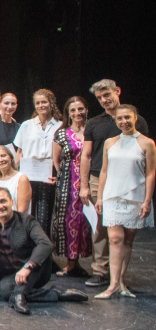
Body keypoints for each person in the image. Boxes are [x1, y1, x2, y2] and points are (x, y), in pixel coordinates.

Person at [79, 79, 149, 288]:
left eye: (107, 95)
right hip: (97, 178)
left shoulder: (136, 120)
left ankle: (118, 276)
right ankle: (100, 271)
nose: (104, 100)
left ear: (117, 91)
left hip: (128, 181)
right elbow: (86, 155)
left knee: (125, 231)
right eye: (100, 98)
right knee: (101, 226)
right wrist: (84, 185)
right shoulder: (93, 123)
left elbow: (144, 154)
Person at [0, 187, 88, 314]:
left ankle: (18, 295)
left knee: (41, 255)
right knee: (4, 289)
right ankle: (55, 294)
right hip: (11, 277)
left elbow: (46, 244)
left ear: (11, 202)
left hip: (34, 273)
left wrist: (27, 267)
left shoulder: (27, 221)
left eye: (3, 201)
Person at [94, 105, 155, 299]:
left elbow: (151, 173)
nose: (124, 121)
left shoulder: (147, 143)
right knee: (114, 239)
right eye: (120, 119)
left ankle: (121, 282)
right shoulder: (110, 142)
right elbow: (104, 171)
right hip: (113, 195)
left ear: (135, 118)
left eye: (127, 117)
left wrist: (147, 200)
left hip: (135, 197)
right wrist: (100, 197)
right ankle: (112, 284)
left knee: (128, 239)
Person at [51, 96, 92, 276]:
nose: (77, 113)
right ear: (68, 113)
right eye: (73, 110)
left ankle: (82, 262)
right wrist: (64, 178)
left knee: (86, 222)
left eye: (80, 109)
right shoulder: (61, 133)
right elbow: (56, 161)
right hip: (68, 183)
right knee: (69, 221)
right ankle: (70, 261)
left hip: (90, 182)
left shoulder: (92, 130)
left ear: (86, 110)